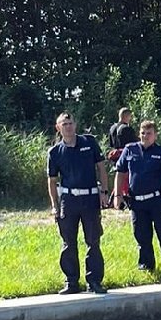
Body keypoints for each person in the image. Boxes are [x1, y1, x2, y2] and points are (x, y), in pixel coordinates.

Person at [114, 119, 161, 284]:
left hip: (156, 201)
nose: (145, 136)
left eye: (149, 133)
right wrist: (118, 196)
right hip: (137, 202)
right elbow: (120, 172)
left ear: (155, 135)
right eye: (142, 133)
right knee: (142, 236)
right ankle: (147, 268)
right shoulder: (130, 150)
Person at [46, 112, 110, 294]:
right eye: (64, 124)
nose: (68, 126)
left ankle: (94, 281)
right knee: (68, 243)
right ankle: (71, 282)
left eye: (70, 123)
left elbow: (101, 168)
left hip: (90, 198)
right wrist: (54, 205)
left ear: (76, 124)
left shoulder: (89, 142)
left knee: (93, 241)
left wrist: (104, 192)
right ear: (58, 128)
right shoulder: (55, 152)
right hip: (68, 200)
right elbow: (51, 180)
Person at [107, 107, 139, 208]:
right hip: (126, 155)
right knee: (127, 179)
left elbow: (111, 143)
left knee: (119, 177)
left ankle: (114, 199)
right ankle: (124, 199)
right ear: (126, 116)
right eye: (130, 116)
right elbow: (134, 143)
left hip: (116, 155)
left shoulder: (112, 128)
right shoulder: (127, 129)